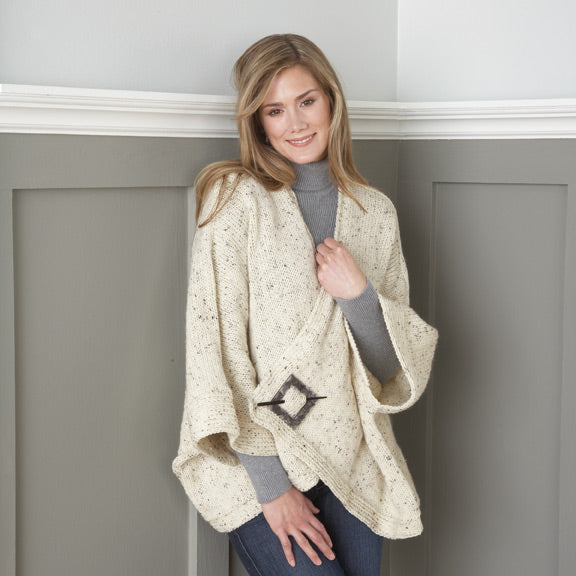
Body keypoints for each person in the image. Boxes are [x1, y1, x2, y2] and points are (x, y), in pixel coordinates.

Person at [173, 34, 438, 576]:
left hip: (353, 458)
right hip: (260, 464)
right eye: (274, 110)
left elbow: (388, 370)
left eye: (306, 101)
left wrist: (359, 295)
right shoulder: (236, 200)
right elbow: (215, 354)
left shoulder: (375, 213)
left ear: (332, 102)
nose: (294, 123)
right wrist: (273, 489)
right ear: (257, 122)